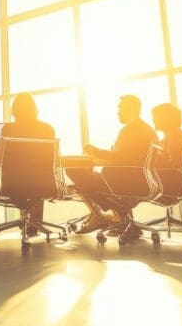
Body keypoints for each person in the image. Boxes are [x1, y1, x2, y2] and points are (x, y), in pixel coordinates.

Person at [67, 94, 157, 235]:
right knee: (86, 179)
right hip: (141, 179)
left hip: (125, 180)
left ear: (130, 109)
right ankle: (117, 217)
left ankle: (108, 213)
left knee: (73, 171)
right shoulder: (148, 130)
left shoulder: (130, 130)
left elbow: (119, 158)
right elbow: (128, 156)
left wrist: (96, 151)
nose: (117, 112)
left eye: (120, 108)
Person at [0, 92, 55, 235]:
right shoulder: (47, 129)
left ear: (15, 109)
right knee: (36, 178)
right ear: (34, 108)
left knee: (19, 180)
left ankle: (27, 218)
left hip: (13, 183)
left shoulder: (9, 129)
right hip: (42, 182)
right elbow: (50, 161)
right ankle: (32, 222)